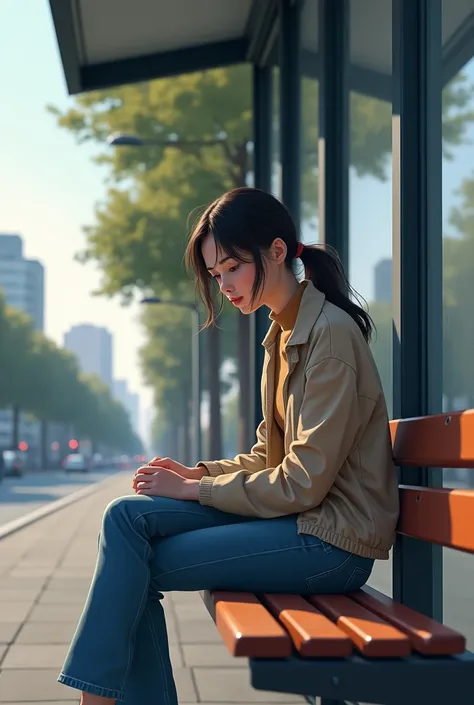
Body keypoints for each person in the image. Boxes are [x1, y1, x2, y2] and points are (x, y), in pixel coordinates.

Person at [58, 187, 399, 705]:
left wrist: (196, 493)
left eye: (233, 268)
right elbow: (268, 457)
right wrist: (195, 475)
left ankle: (98, 700)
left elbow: (302, 483)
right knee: (125, 518)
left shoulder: (328, 336)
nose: (226, 286)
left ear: (278, 252)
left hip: (333, 544)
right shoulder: (282, 336)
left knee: (135, 564)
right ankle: (100, 698)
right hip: (300, 523)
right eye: (217, 276)